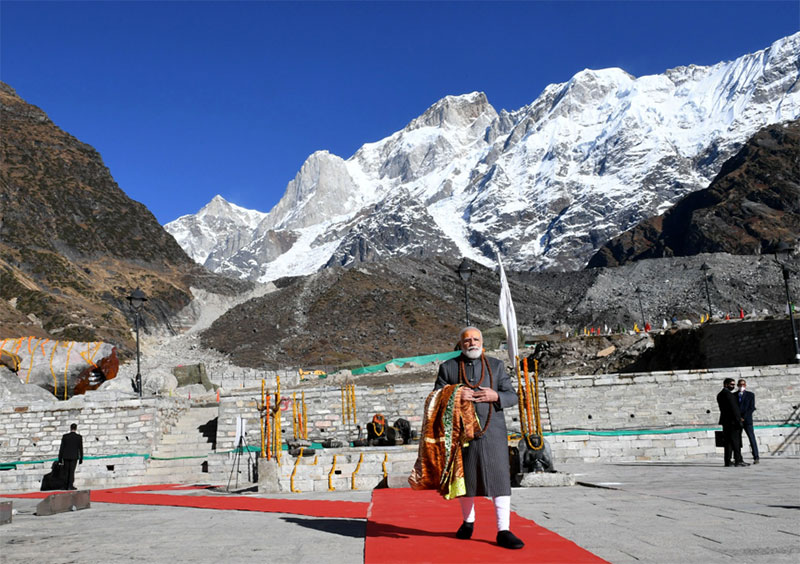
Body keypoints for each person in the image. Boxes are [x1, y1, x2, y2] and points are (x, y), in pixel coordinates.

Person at [434, 326, 524, 550]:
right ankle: (468, 522)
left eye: (476, 339)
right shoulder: (448, 368)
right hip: (462, 434)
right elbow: (436, 397)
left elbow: (513, 396)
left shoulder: (496, 365)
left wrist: (496, 395)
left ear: (482, 342)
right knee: (467, 479)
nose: (472, 343)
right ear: (461, 344)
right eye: (467, 340)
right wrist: (454, 394)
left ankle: (503, 530)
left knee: (500, 479)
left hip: (493, 431)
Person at [716, 379, 748, 467]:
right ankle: (738, 460)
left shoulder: (720, 394)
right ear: (726, 384)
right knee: (736, 442)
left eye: (734, 384)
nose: (733, 386)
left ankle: (728, 461)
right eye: (731, 384)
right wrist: (739, 420)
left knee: (728, 442)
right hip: (733, 422)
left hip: (725, 421)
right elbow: (734, 409)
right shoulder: (729, 395)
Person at [737, 379, 759, 464]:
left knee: (751, 438)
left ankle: (756, 457)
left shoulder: (750, 395)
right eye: (740, 385)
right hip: (738, 420)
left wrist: (744, 417)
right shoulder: (734, 395)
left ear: (745, 385)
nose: (741, 386)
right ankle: (738, 457)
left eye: (743, 385)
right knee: (737, 439)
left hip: (747, 420)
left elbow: (751, 407)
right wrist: (739, 417)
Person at [58, 423, 83, 489]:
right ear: (76, 428)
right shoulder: (79, 437)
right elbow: (80, 448)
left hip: (66, 456)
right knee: (72, 471)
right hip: (74, 456)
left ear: (70, 428)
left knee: (66, 471)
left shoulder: (65, 436)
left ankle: (65, 486)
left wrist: (60, 458)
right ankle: (70, 485)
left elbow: (62, 448)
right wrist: (81, 458)